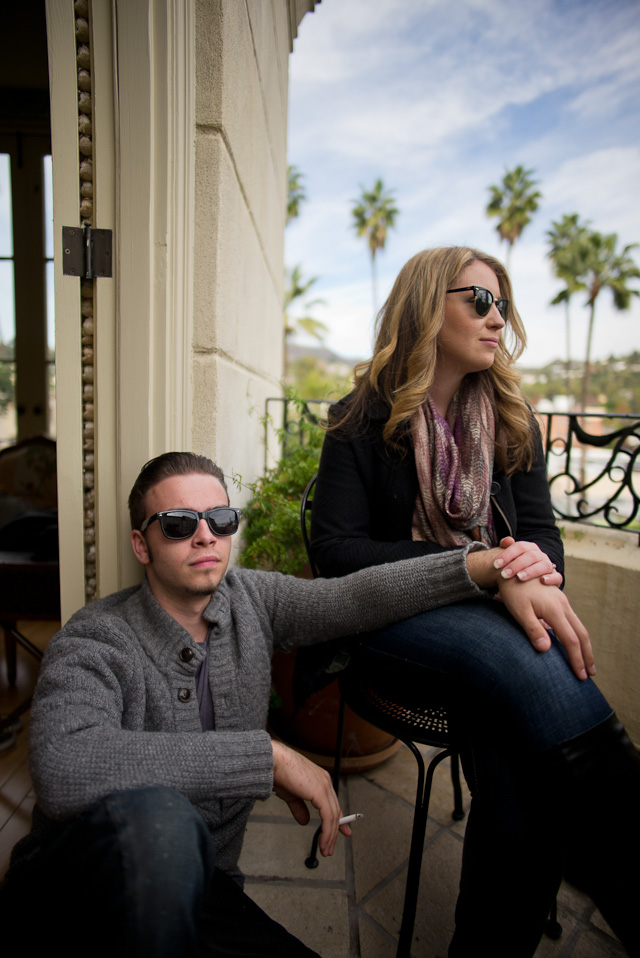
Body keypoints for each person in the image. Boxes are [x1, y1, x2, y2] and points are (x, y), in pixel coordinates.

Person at [0, 450, 580, 958]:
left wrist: (485, 566)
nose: (205, 535)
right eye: (178, 523)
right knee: (162, 816)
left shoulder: (250, 599)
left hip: (203, 892)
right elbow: (62, 767)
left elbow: (355, 596)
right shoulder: (96, 637)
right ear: (141, 544)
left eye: (220, 519)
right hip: (75, 892)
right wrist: (266, 758)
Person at [310, 247, 640, 957]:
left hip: (497, 627)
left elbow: (546, 541)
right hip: (391, 624)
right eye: (480, 301)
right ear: (428, 308)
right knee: (529, 668)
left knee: (520, 751)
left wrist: (522, 567)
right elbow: (336, 556)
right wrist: (482, 566)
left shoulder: (513, 420)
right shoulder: (359, 421)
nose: (499, 320)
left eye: (504, 305)